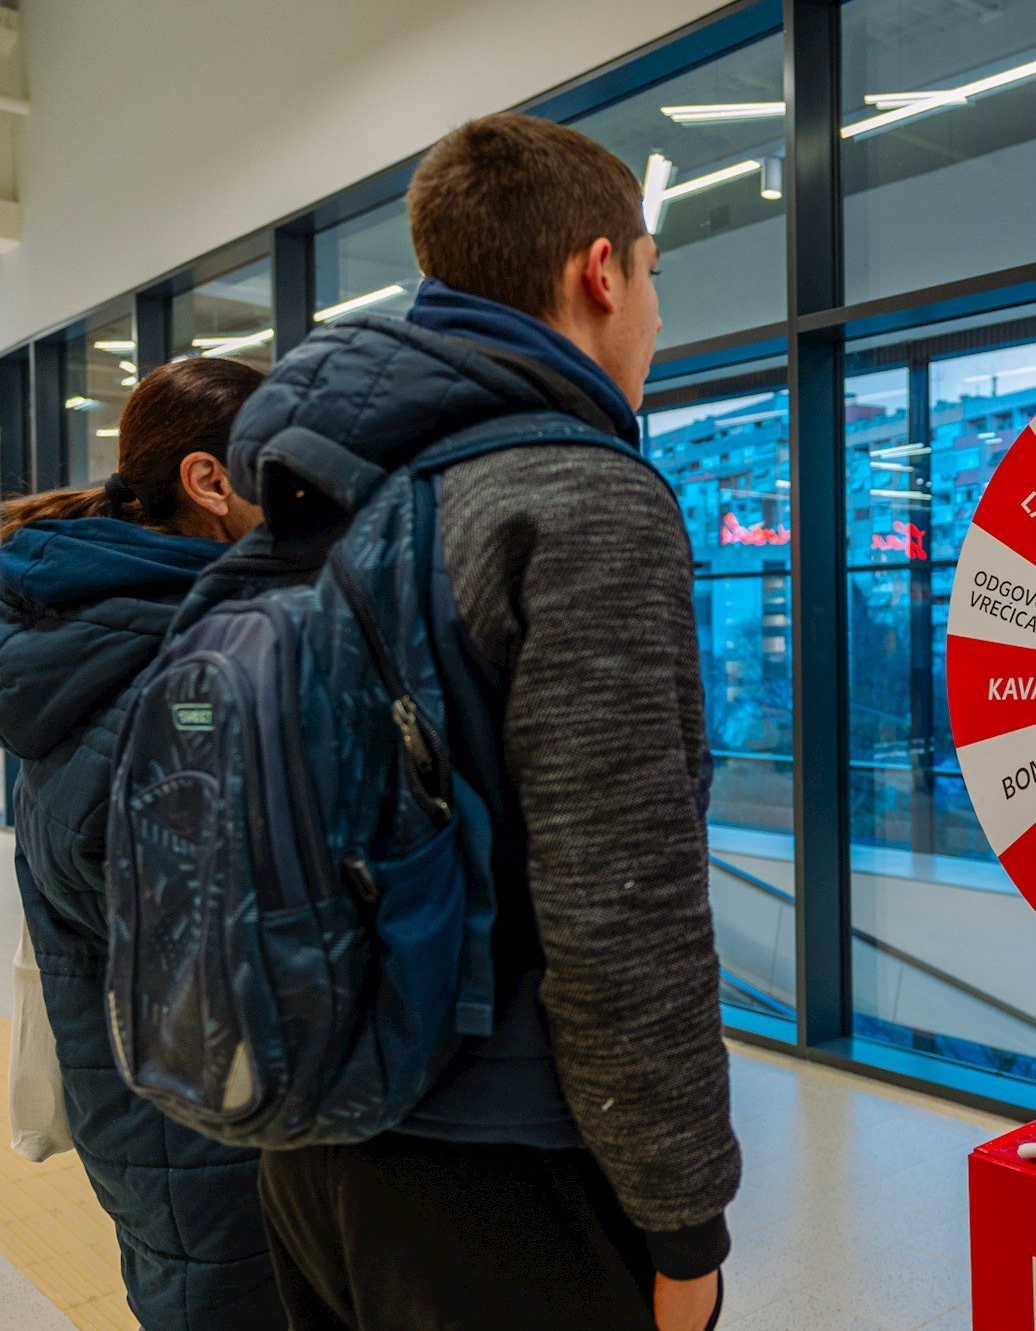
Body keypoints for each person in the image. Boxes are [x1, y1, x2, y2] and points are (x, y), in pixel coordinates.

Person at [237, 113, 736, 1331]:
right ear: (600, 271)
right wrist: (684, 1223)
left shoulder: (327, 491)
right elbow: (621, 903)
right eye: (653, 275)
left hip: (308, 1134)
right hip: (501, 1178)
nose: (656, 317)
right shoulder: (579, 497)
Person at [0, 357, 284, 1328]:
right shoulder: (173, 674)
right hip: (215, 1158)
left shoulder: (102, 635)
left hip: (159, 1134)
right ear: (209, 481)